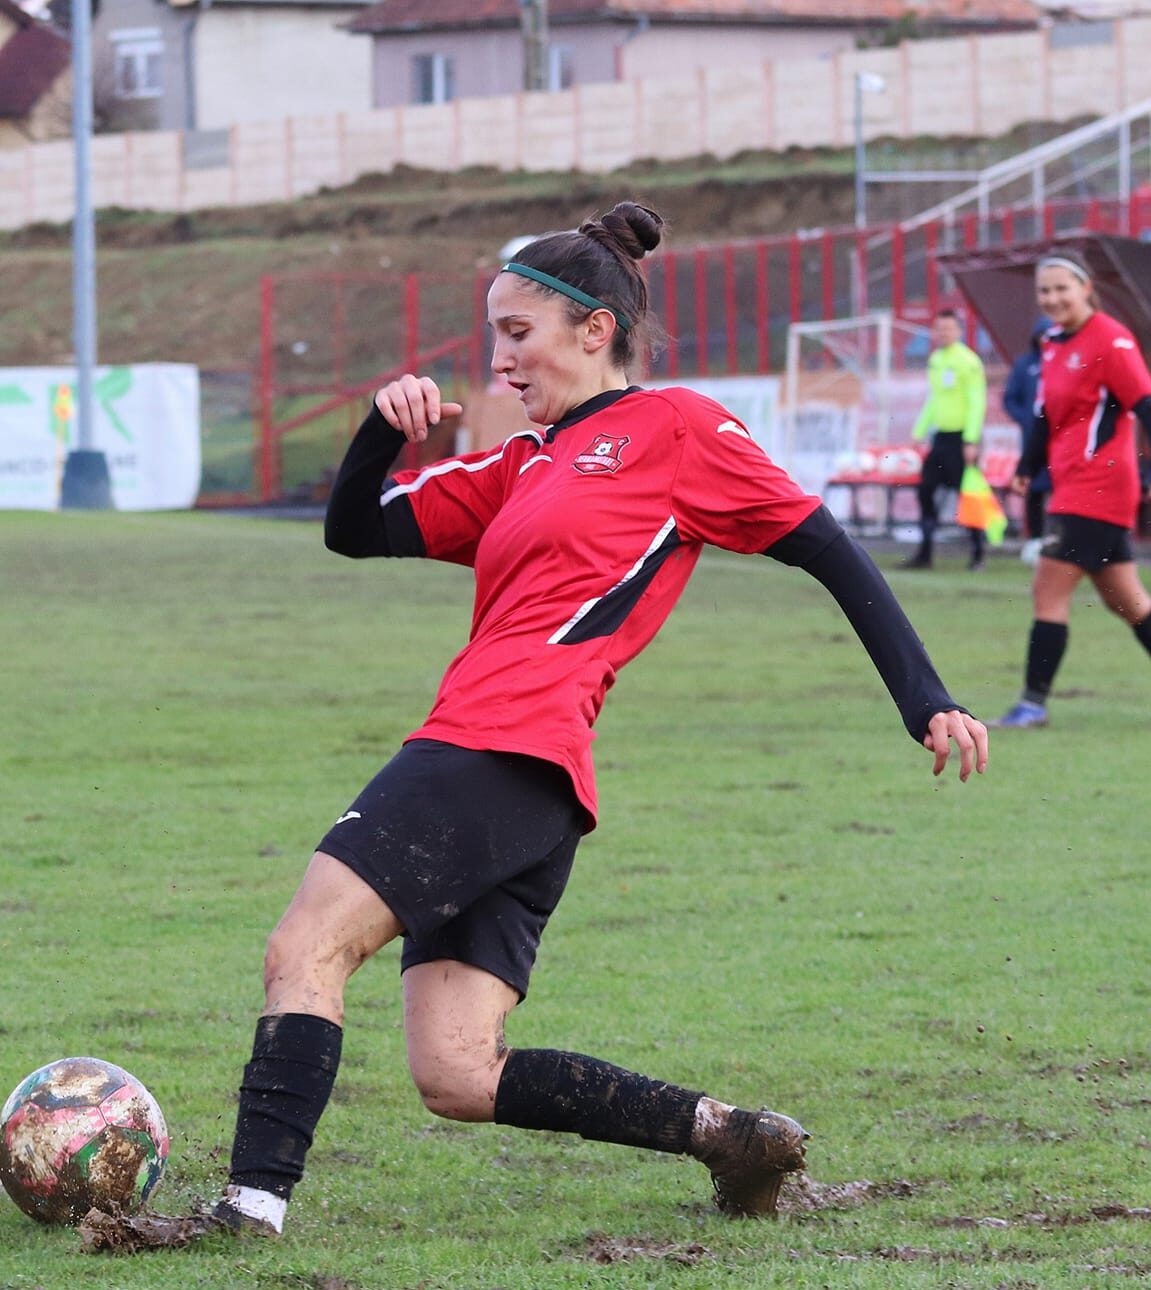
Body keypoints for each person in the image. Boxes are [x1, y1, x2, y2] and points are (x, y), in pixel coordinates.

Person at [114, 203, 987, 1248]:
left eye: (518, 334)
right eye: (494, 337)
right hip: (523, 778)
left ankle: (247, 1211)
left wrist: (923, 695)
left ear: (597, 329)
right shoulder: (521, 463)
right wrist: (380, 434)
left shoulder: (678, 429)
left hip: (494, 750)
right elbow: (356, 531)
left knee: (304, 946)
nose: (501, 359)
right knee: (456, 1074)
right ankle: (730, 1137)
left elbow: (826, 546)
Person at [993, 250, 1151, 729]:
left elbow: (1145, 405)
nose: (1053, 298)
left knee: (1048, 594)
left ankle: (1032, 705)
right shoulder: (1053, 342)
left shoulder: (1112, 339)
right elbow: (1045, 415)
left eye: (1062, 288)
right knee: (1129, 602)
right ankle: (1032, 704)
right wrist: (1027, 464)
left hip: (1097, 486)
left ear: (1086, 288)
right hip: (1072, 484)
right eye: (1045, 290)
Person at [902, 308, 989, 570]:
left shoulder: (969, 361)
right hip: (940, 438)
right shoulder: (937, 359)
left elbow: (977, 402)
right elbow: (934, 399)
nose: (944, 333)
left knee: (968, 496)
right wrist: (919, 431)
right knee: (925, 490)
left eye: (949, 328)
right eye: (940, 328)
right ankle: (925, 553)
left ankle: (977, 554)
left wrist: (971, 440)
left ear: (959, 331)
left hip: (962, 439)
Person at [1001, 319, 1051, 562]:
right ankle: (1035, 539)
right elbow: (1010, 398)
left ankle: (1060, 539)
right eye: (1042, 335)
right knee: (1034, 488)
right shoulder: (1025, 365)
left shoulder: (1065, 360)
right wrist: (1026, 420)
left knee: (1062, 489)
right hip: (1033, 439)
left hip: (1062, 441)